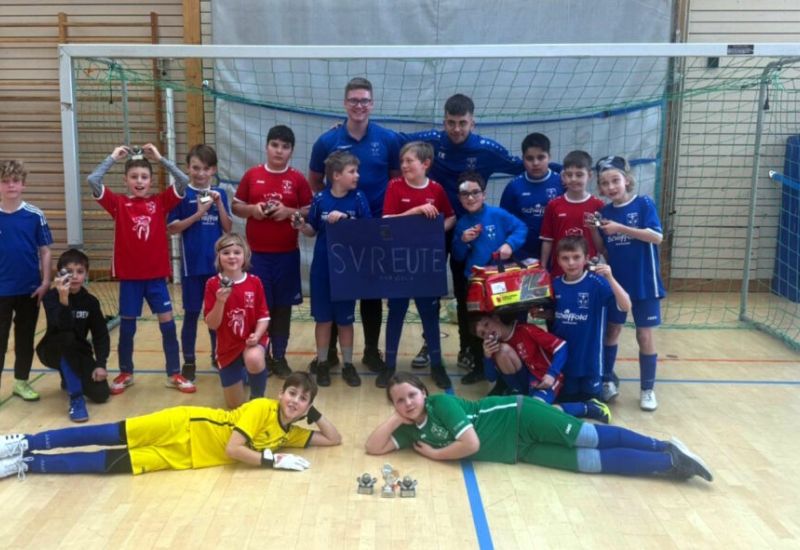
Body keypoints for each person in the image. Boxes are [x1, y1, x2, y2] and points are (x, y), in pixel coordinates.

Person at [364, 372, 712, 482]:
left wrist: (436, 455)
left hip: (520, 415)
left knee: (587, 437)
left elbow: (470, 445)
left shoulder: (441, 403)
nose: (408, 403)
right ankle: (672, 463)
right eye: (399, 401)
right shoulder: (410, 428)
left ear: (424, 394)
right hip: (517, 450)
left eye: (412, 395)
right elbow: (373, 447)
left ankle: (662, 444)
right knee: (589, 463)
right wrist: (396, 419)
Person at [0, 373, 341, 480]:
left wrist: (313, 412)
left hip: (185, 457)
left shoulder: (289, 432)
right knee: (106, 433)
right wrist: (273, 460)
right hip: (181, 425)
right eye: (292, 394)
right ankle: (26, 441)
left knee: (108, 464)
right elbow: (233, 449)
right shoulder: (261, 408)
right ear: (280, 394)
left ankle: (25, 463)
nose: (294, 401)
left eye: (302, 400)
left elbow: (334, 439)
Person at [401, 94, 525, 372]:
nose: (456, 129)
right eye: (451, 123)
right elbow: (394, 139)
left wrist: (563, 172)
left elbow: (524, 165)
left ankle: (467, 348)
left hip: (470, 233)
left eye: (462, 123)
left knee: (466, 292)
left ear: (473, 122)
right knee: (429, 290)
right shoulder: (431, 141)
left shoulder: (487, 150)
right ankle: (430, 343)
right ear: (444, 121)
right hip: (434, 230)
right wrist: (346, 129)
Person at [308, 78, 401, 374]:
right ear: (345, 103)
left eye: (364, 100)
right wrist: (333, 206)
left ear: (372, 104)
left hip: (373, 228)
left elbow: (396, 180)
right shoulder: (327, 141)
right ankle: (330, 355)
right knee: (337, 291)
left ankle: (371, 352)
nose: (359, 105)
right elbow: (315, 180)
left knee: (372, 293)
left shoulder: (387, 139)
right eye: (353, 100)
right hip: (339, 234)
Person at [87, 143, 196, 395]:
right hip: (130, 279)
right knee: (127, 329)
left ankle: (174, 373)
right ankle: (126, 372)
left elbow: (183, 180)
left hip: (156, 278)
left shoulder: (160, 202)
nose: (139, 181)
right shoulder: (118, 203)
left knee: (168, 325)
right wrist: (112, 157)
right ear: (125, 180)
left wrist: (160, 158)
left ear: (151, 180)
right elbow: (93, 180)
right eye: (134, 176)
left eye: (144, 177)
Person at [232, 125, 312, 380]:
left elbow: (310, 209)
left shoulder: (297, 179)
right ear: (266, 147)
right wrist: (253, 210)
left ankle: (280, 356)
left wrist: (289, 212)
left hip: (287, 255)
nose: (279, 151)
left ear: (292, 151)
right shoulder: (252, 175)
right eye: (275, 145)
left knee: (283, 308)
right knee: (259, 308)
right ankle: (261, 355)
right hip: (257, 257)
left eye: (285, 147)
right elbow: (236, 206)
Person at [379, 141, 456, 390]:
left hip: (426, 265)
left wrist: (435, 231)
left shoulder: (436, 189)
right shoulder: (394, 186)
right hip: (400, 263)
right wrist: (415, 211)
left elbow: (451, 217)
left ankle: (437, 366)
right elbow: (386, 221)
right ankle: (389, 365)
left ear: (425, 164)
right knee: (396, 314)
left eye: (409, 161)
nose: (403, 165)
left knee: (430, 316)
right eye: (402, 161)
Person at [595, 156, 667, 411]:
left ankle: (647, 389)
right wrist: (594, 230)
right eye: (605, 183)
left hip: (645, 283)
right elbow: (605, 249)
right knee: (612, 331)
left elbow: (656, 236)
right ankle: (607, 381)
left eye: (615, 180)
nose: (611, 187)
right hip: (617, 284)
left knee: (643, 335)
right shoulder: (604, 213)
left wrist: (621, 228)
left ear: (626, 180)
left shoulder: (643, 203)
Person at [294, 151, 371, 388]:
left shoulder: (358, 198)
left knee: (346, 321)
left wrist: (347, 219)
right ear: (336, 176)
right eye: (352, 171)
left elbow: (368, 230)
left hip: (347, 271)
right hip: (322, 270)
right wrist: (301, 225)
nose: (357, 175)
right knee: (324, 320)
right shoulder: (320, 199)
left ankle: (348, 364)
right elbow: (312, 230)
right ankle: (323, 362)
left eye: (357, 171)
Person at [451, 171, 527, 385]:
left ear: (484, 194)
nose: (470, 197)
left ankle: (506, 374)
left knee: (503, 323)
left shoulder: (498, 215)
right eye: (465, 194)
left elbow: (521, 228)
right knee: (478, 327)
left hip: (502, 283)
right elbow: (458, 256)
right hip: (476, 285)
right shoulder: (462, 223)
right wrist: (463, 241)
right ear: (459, 198)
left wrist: (509, 244)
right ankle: (480, 367)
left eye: (475, 192)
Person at [167, 144, 232, 381]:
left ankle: (218, 355)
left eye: (205, 168)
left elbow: (227, 228)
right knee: (192, 314)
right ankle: (189, 361)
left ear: (213, 169)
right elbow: (172, 228)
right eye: (196, 168)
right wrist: (199, 213)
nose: (201, 173)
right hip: (191, 267)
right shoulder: (182, 193)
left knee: (217, 315)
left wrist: (218, 204)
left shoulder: (220, 193)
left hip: (216, 267)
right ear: (188, 168)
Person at [473, 313, 610, 423]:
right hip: (524, 386)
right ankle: (522, 399)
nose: (488, 331)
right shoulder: (495, 346)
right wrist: (487, 356)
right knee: (502, 350)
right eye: (483, 334)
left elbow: (561, 346)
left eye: (487, 324)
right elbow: (491, 378)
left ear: (496, 318)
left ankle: (588, 407)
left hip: (544, 378)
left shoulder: (526, 330)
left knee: (535, 414)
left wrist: (552, 373)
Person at [551, 236, 631, 403]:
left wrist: (610, 278)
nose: (571, 263)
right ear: (558, 260)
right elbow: (559, 312)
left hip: (590, 362)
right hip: (566, 362)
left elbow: (626, 306)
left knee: (592, 403)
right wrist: (543, 313)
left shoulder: (597, 284)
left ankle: (606, 384)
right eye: (565, 258)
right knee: (568, 402)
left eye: (576, 257)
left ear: (586, 258)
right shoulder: (555, 284)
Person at [36, 249, 110, 422]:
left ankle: (68, 377)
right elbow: (62, 327)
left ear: (86, 274)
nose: (75, 276)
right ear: (60, 274)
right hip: (52, 350)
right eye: (69, 271)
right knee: (67, 336)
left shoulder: (90, 302)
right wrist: (64, 299)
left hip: (78, 351)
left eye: (80, 271)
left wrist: (101, 364)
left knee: (101, 394)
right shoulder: (51, 297)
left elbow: (100, 335)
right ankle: (76, 399)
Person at [0, 160, 53, 401]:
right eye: (5, 181)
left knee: (24, 338)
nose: (11, 185)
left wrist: (45, 282)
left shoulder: (34, 215)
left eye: (15, 181)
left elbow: (45, 251)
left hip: (29, 289)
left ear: (23, 185)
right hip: (2, 290)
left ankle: (21, 382)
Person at [203, 233, 270, 409]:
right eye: (226, 253)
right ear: (218, 257)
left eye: (237, 252)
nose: (232, 256)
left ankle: (257, 400)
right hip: (227, 346)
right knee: (235, 407)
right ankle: (242, 373)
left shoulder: (254, 282)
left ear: (245, 256)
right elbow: (212, 324)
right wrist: (220, 302)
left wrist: (257, 336)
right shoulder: (212, 284)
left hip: (251, 341)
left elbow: (264, 317)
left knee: (254, 358)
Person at [539, 150, 605, 277]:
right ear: (563, 176)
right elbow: (548, 240)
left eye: (579, 175)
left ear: (590, 175)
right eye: (569, 175)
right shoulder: (554, 205)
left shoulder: (598, 206)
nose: (573, 179)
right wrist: (543, 267)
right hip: (560, 272)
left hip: (589, 271)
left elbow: (601, 243)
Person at [500, 132, 564, 260]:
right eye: (529, 158)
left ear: (549, 157)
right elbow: (504, 223)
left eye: (541, 157)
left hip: (558, 253)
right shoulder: (513, 187)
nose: (535, 163)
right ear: (523, 159)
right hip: (522, 255)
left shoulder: (562, 183)